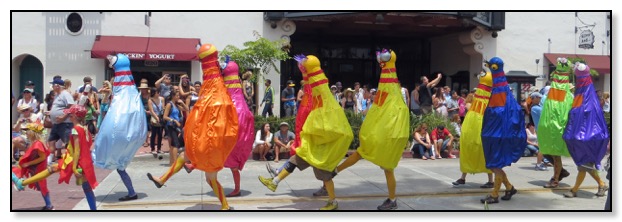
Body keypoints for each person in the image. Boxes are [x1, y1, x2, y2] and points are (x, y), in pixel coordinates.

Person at [148, 44, 238, 210]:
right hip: (213, 144)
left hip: (210, 144)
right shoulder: (219, 94)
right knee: (199, 168)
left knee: (197, 166)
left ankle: (225, 205)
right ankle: (224, 205)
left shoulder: (212, 96)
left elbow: (203, 119)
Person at [259, 54, 353, 211]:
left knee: (326, 176)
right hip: (312, 144)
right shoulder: (317, 96)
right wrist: (305, 68)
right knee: (295, 159)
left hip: (320, 149)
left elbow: (318, 83)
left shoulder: (324, 100)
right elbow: (312, 83)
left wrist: (308, 68)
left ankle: (333, 202)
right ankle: (274, 181)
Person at [330, 49, 409, 210]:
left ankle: (392, 200)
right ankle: (335, 171)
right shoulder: (385, 93)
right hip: (380, 135)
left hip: (387, 137)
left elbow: (394, 117)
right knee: (362, 153)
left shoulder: (393, 98)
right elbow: (377, 111)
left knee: (386, 168)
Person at [13, 105, 98, 210]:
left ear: (75, 116)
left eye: (70, 114)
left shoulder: (76, 129)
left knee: (51, 169)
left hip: (76, 161)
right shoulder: (84, 128)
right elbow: (86, 145)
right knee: (87, 188)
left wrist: (75, 167)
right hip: (84, 161)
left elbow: (77, 150)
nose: (68, 116)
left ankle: (22, 183)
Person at [94, 53, 148, 202]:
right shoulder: (130, 89)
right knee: (120, 167)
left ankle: (131, 193)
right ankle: (131, 192)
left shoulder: (123, 91)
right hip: (131, 132)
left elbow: (116, 110)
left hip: (122, 131)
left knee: (119, 165)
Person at [480, 57, 524, 204]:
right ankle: (509, 187)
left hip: (498, 136)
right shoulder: (503, 93)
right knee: (494, 165)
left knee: (495, 165)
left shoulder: (500, 94)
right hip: (495, 135)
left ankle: (494, 194)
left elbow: (498, 114)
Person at [562, 62, 609, 199]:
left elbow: (583, 114)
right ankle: (601, 184)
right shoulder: (584, 96)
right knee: (585, 166)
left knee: (584, 166)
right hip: (585, 138)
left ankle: (574, 190)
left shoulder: (586, 97)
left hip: (588, 139)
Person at [453, 68, 494, 189]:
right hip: (473, 125)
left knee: (484, 152)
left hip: (480, 125)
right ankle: (462, 178)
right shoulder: (479, 100)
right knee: (469, 150)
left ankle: (490, 180)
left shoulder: (487, 98)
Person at [221, 60, 255, 197]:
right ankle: (237, 188)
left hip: (232, 130)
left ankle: (236, 189)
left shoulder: (229, 94)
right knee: (232, 165)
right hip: (240, 130)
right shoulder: (238, 95)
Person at [538, 58, 574, 189]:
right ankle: (560, 173)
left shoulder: (559, 95)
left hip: (558, 129)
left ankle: (555, 179)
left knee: (555, 155)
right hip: (555, 128)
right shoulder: (561, 95)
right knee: (551, 153)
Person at [11, 121, 54, 210]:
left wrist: (28, 163)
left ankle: (49, 205)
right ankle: (48, 204)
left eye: (27, 131)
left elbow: (42, 157)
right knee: (41, 186)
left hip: (39, 169)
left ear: (32, 132)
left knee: (42, 186)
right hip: (35, 168)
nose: (26, 133)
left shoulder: (38, 143)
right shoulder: (35, 142)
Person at [47, 78, 75, 165]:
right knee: (51, 140)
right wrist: (51, 113)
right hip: (56, 123)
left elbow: (71, 106)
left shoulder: (65, 94)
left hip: (65, 123)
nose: (52, 87)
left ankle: (72, 159)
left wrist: (63, 116)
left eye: (53, 85)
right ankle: (50, 158)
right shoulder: (57, 95)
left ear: (57, 86)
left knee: (67, 141)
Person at [163, 90, 187, 166]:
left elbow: (186, 109)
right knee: (176, 144)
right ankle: (175, 162)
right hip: (171, 125)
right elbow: (165, 116)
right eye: (177, 95)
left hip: (176, 126)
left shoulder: (176, 105)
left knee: (173, 144)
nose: (178, 97)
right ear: (173, 96)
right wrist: (173, 120)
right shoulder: (169, 104)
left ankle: (171, 162)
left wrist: (182, 103)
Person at [148, 87, 165, 154]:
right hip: (154, 118)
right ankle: (152, 148)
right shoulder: (150, 100)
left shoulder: (162, 99)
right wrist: (156, 117)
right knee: (154, 133)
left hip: (160, 117)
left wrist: (161, 115)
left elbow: (163, 108)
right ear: (154, 93)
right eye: (157, 92)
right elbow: (151, 111)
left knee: (160, 134)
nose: (158, 93)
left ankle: (159, 148)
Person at [138, 83, 151, 147]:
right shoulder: (139, 95)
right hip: (142, 111)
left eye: (144, 89)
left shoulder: (149, 95)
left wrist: (150, 111)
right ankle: (143, 141)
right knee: (142, 127)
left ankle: (147, 141)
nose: (143, 90)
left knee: (148, 127)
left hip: (149, 111)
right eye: (142, 89)